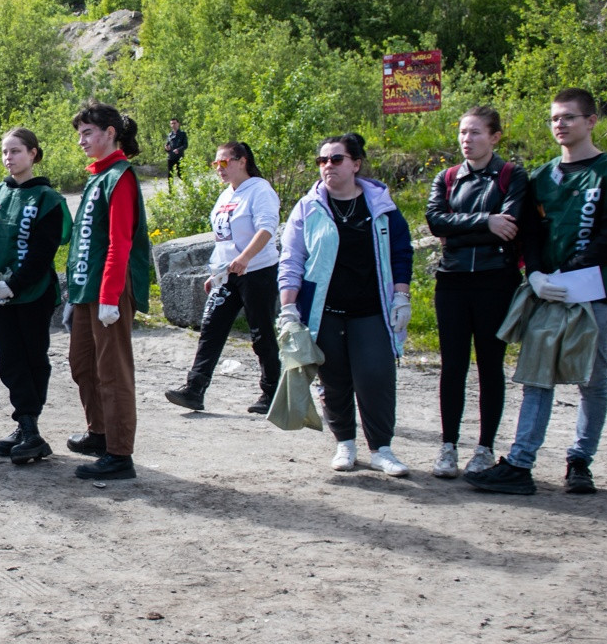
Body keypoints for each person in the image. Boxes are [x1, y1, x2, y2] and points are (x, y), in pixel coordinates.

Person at [466, 88, 607, 497]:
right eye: (554, 119)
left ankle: (580, 460)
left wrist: (570, 273)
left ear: (591, 121)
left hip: (595, 290)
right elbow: (530, 232)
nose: (560, 125)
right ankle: (520, 463)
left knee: (592, 378)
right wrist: (539, 273)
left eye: (569, 117)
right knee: (537, 373)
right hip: (547, 289)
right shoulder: (543, 176)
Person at [277, 133, 414, 476]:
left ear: (356, 164)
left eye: (336, 159)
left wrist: (401, 295)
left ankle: (382, 449)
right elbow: (292, 259)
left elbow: (401, 253)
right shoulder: (308, 207)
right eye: (322, 161)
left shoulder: (381, 206)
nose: (328, 166)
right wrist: (289, 308)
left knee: (375, 376)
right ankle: (345, 445)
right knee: (334, 379)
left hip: (371, 309)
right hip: (325, 311)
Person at [425, 106, 530, 479]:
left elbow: (512, 224)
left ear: (495, 137)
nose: (467, 140)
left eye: (476, 133)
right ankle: (448, 446)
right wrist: (486, 220)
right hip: (452, 281)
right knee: (452, 366)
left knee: (490, 365)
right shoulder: (448, 177)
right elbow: (436, 221)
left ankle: (484, 448)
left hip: (494, 280)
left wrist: (459, 229)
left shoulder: (512, 175)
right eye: (462, 133)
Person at [0, 127, 72, 465]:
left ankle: (28, 425)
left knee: (33, 357)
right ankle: (27, 427)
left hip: (33, 293)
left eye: (15, 151)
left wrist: (13, 284)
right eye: (5, 152)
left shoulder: (48, 199)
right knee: (9, 359)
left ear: (33, 154)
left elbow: (44, 252)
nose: (9, 158)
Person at [63, 102, 154, 481]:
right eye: (80, 134)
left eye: (88, 133)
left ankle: (120, 453)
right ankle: (99, 434)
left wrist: (110, 296)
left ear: (111, 133)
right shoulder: (97, 176)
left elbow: (120, 242)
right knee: (82, 363)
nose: (82, 141)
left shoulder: (121, 177)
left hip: (108, 290)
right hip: (86, 288)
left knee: (112, 372)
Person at [164, 141, 281, 415]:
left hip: (257, 271)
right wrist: (215, 273)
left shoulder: (259, 190)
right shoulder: (226, 195)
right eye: (215, 163)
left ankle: (272, 391)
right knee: (211, 328)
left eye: (224, 162)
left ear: (242, 161)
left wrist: (246, 258)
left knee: (261, 333)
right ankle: (194, 389)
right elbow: (223, 240)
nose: (219, 169)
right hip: (228, 274)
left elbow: (266, 229)